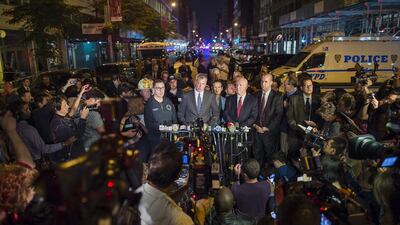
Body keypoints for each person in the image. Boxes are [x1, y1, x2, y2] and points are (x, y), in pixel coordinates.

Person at [135, 142, 194, 225]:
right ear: (177, 176)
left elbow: (157, 199)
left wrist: (183, 189)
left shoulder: (132, 195)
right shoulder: (182, 221)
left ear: (148, 168)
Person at [9, 100, 76, 161]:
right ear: (18, 114)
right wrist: (65, 143)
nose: (29, 111)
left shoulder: (12, 128)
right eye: (26, 110)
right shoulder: (28, 129)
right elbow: (43, 149)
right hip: (34, 159)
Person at [49, 85, 91, 163]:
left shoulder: (62, 115)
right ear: (57, 109)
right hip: (73, 156)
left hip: (77, 150)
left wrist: (81, 93)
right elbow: (75, 137)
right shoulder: (58, 124)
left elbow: (73, 109)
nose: (68, 106)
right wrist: (83, 119)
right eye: (65, 105)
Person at [253, 72, 284, 169]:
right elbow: (252, 113)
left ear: (271, 83)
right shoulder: (255, 95)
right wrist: (255, 125)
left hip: (269, 134)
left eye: (266, 82)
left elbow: (278, 115)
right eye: (262, 82)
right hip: (257, 131)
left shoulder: (277, 97)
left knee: (270, 159)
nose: (263, 84)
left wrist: (268, 128)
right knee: (257, 157)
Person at [286, 77, 321, 161]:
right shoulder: (293, 99)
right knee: (294, 158)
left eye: (311, 86)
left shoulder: (318, 100)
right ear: (301, 88)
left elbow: (321, 118)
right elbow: (290, 118)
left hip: (313, 135)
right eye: (306, 86)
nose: (309, 88)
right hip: (296, 135)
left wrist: (316, 126)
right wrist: (301, 129)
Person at [144, 80, 177, 151]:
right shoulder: (149, 104)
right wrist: (162, 128)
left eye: (162, 88)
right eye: (158, 88)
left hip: (169, 137)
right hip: (156, 139)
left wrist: (175, 128)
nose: (161, 90)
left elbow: (174, 119)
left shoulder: (168, 101)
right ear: (153, 89)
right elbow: (148, 124)